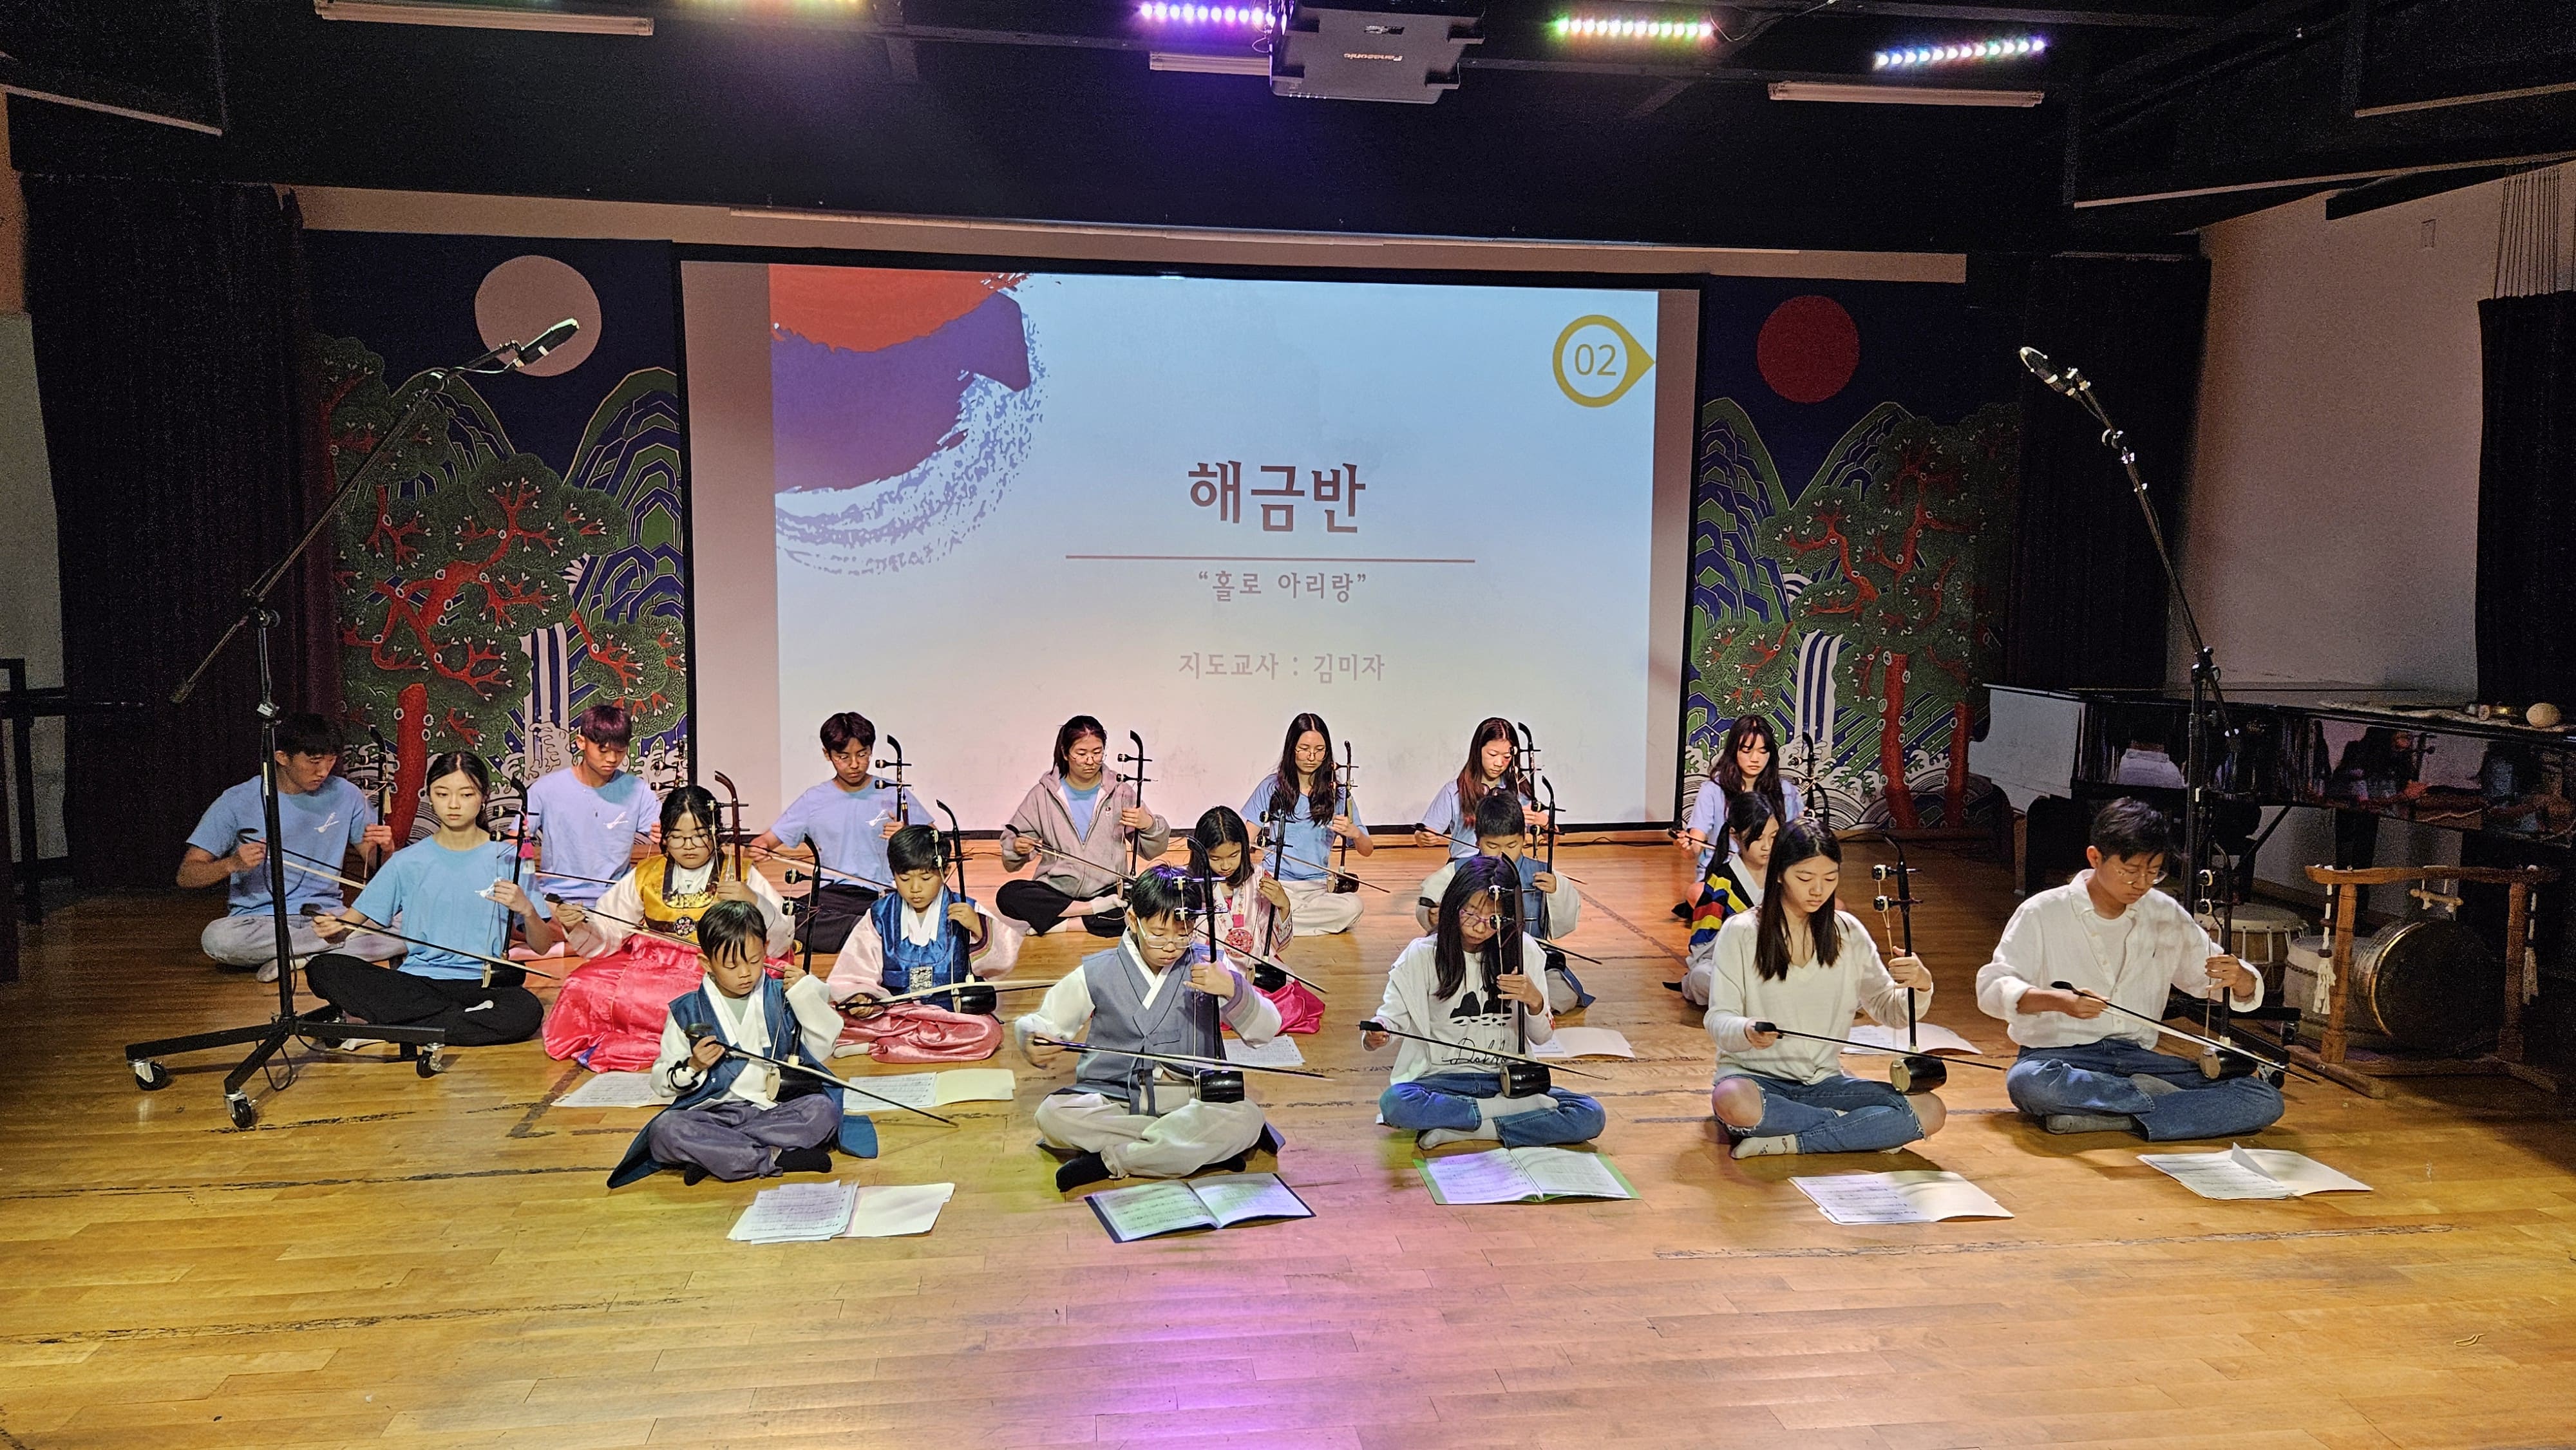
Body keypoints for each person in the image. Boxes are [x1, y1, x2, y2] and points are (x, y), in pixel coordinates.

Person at [1975, 797, 2279, 1140]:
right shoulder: (2042, 911)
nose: (2142, 883)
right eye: (2130, 871)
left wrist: (2240, 979)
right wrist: (2060, 1002)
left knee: (2263, 1098)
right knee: (2029, 1084)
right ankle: (2158, 1110)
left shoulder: (2163, 912)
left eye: (2154, 872)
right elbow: (1992, 987)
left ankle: (2112, 1116)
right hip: (2058, 1058)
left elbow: (2209, 978)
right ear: (2095, 857)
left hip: (2139, 1060)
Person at [1015, 865, 1282, 1192]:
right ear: (1132, 919)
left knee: (1247, 1118)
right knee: (1053, 1115)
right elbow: (1043, 1022)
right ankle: (1186, 1149)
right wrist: (1033, 1037)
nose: (1171, 945)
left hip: (1193, 1101)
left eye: (1183, 933)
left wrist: (1233, 989)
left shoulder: (1211, 966)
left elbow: (1266, 1031)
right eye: (1158, 933)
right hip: (1117, 1100)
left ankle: (1113, 1160)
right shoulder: (1100, 971)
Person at [1703, 820, 1946, 1158]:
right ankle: (1859, 1129)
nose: (1818, 890)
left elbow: (1890, 1011)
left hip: (1825, 1084)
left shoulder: (1848, 932)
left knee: (1930, 1110)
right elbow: (1718, 1018)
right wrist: (1746, 1030)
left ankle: (1789, 1142)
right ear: (1779, 874)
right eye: (1805, 878)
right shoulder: (1742, 932)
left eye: (1830, 879)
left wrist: (1920, 985)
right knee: (1732, 1101)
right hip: (1755, 1081)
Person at [607, 900, 876, 1187]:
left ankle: (715, 1155)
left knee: (822, 1111)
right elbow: (661, 1083)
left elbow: (822, 1049)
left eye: (754, 960)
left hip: (775, 1108)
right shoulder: (688, 1011)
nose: (745, 973)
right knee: (666, 1129)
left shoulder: (782, 995)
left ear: (765, 949)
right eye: (731, 965)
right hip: (713, 1114)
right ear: (706, 963)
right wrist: (694, 1065)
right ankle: (773, 1158)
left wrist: (806, 995)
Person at [307, 752, 554, 1048]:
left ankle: (391, 1026)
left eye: (466, 794)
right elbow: (345, 929)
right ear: (430, 796)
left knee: (526, 1012)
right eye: (442, 794)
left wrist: (527, 910)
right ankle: (446, 1022)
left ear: (484, 797)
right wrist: (332, 928)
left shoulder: (510, 859)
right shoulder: (406, 861)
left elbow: (543, 945)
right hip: (416, 983)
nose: (453, 804)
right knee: (323, 968)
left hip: (484, 984)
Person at [542, 787, 793, 1072]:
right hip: (652, 965)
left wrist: (754, 900)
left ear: (715, 833)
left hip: (716, 967)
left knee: (710, 997)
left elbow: (781, 939)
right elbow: (610, 928)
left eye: (699, 835)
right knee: (581, 984)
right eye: (677, 836)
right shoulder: (647, 873)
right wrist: (579, 922)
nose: (689, 846)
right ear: (664, 836)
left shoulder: (741, 872)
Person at [1367, 856, 1606, 1151]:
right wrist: (1378, 1031)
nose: (1479, 927)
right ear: (1453, 904)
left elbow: (1542, 1037)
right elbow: (1391, 1018)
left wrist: (1534, 1001)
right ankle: (1506, 1116)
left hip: (1506, 1079)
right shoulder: (1422, 954)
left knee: (1589, 1114)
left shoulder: (1524, 951)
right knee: (1396, 1104)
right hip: (1441, 1081)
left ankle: (1462, 1130)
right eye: (1470, 912)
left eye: (1493, 920)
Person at [176, 712, 398, 982]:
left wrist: (386, 849)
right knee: (218, 939)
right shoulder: (236, 800)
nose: (323, 771)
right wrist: (232, 864)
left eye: (331, 761)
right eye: (314, 761)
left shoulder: (346, 794)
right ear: (282, 758)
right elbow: (187, 875)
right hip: (260, 922)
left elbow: (376, 864)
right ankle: (319, 952)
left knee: (414, 924)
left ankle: (297, 957)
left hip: (329, 917)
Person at [826, 824, 1026, 1062]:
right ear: (893, 873)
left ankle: (879, 1044)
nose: (915, 889)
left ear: (946, 870)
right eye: (904, 878)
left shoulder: (965, 908)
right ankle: (905, 1041)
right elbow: (854, 971)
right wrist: (861, 997)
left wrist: (978, 927)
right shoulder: (881, 914)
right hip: (896, 1013)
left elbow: (1002, 961)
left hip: (951, 1015)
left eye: (926, 877)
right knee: (836, 1018)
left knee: (985, 1032)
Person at [748, 711, 927, 953]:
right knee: (785, 916)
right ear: (827, 754)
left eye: (862, 754)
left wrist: (908, 835)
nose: (854, 764)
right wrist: (760, 847)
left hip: (884, 893)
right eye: (843, 757)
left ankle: (865, 930)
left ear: (871, 750)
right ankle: (870, 930)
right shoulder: (814, 800)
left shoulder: (892, 792)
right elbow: (767, 840)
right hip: (833, 896)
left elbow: (935, 842)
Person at [996, 715, 1170, 937]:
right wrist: (1017, 847)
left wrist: (1149, 825)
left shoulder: (1120, 791)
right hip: (1058, 891)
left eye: (1097, 753)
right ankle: (1090, 912)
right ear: (1065, 752)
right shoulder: (1043, 795)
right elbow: (1014, 841)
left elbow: (1151, 851)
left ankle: (1062, 923)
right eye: (1081, 753)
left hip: (1108, 890)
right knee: (1008, 895)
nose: (1090, 761)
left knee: (1147, 907)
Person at [1415, 791, 1588, 1012]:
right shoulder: (1459, 871)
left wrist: (1556, 892)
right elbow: (1428, 904)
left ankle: (1512, 1005)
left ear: (1524, 839)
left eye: (1511, 845)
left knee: (1562, 992)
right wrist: (1432, 915)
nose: (1502, 854)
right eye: (1493, 846)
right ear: (1478, 840)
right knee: (1437, 986)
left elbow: (1564, 925)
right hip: (1471, 961)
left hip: (1526, 962)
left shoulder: (1542, 874)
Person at [1188, 807, 1321, 1034]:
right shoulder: (1191, 883)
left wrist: (1283, 905)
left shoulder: (1258, 878)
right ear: (1201, 853)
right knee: (1204, 1008)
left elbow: (1276, 945)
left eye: (1234, 855)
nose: (1226, 866)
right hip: (1213, 972)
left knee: (1289, 1002)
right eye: (1215, 858)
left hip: (1252, 969)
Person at [1242, 712, 1373, 934]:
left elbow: (1367, 849)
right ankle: (1285, 918)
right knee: (1256, 897)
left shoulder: (1338, 794)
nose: (1312, 757)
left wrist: (1355, 833)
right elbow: (1247, 838)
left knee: (1353, 907)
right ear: (1292, 748)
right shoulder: (1271, 787)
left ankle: (1279, 922)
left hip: (1317, 888)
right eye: (1304, 748)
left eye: (1319, 750)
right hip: (1276, 882)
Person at [523, 703, 658, 913]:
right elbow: (515, 842)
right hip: (558, 899)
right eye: (603, 750)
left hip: (616, 901)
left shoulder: (637, 790)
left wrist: (666, 833)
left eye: (620, 751)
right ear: (581, 742)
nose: (612, 759)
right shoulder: (545, 789)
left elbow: (665, 833)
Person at [1674, 714, 1803, 919]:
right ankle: (1760, 918)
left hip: (1769, 875)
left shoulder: (1785, 791)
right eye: (1747, 750)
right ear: (1734, 750)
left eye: (1763, 751)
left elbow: (1795, 845)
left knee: (1837, 906)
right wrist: (1687, 847)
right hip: (1725, 875)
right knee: (1696, 893)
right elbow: (1695, 845)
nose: (1755, 758)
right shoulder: (1713, 790)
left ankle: (1751, 917)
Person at [1674, 791, 1777, 1006]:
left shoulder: (1783, 877)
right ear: (1735, 835)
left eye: (1774, 837)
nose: (1767, 846)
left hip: (1774, 962)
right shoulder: (1721, 881)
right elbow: (1703, 946)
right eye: (1758, 838)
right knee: (1702, 976)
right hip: (1730, 965)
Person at [1414, 717, 1545, 860]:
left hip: (1507, 865)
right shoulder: (1454, 791)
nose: (1499, 763)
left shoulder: (1518, 789)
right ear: (1478, 751)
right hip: (1466, 864)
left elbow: (1555, 839)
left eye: (1507, 757)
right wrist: (1424, 837)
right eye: (1492, 754)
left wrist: (1545, 823)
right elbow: (1423, 835)